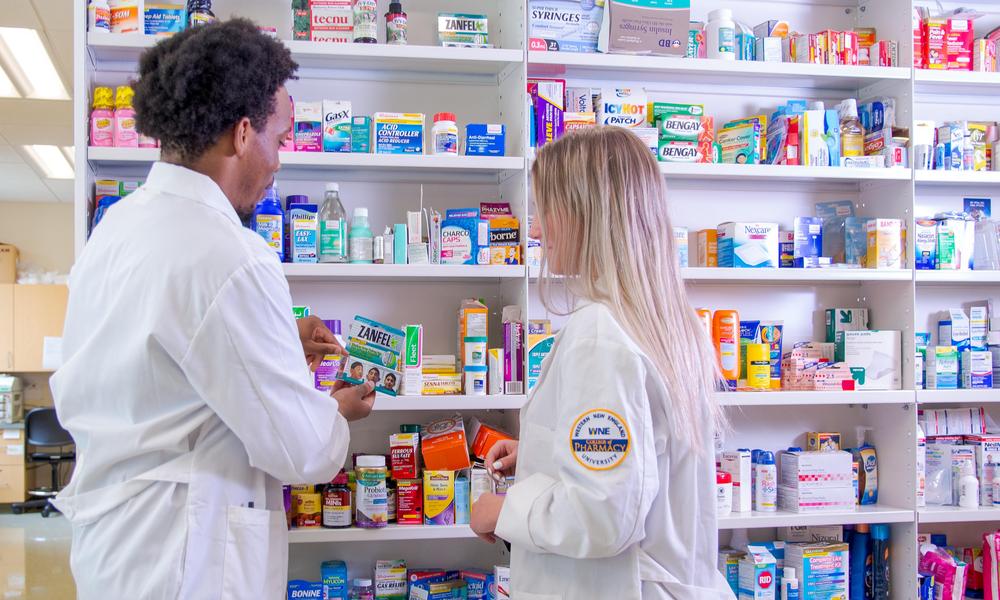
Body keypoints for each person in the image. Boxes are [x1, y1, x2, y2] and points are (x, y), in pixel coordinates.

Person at [51, 20, 374, 599]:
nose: (278, 162)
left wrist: (274, 336)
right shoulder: (233, 256)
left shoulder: (118, 225)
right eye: (280, 137)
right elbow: (303, 450)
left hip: (116, 550)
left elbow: (165, 362)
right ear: (244, 134)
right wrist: (338, 409)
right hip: (186, 561)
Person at [470, 127, 733, 599]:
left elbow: (603, 513)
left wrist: (503, 511)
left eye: (544, 209)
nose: (535, 230)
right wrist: (541, 453)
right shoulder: (667, 322)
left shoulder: (600, 333)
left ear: (584, 214)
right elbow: (636, 462)